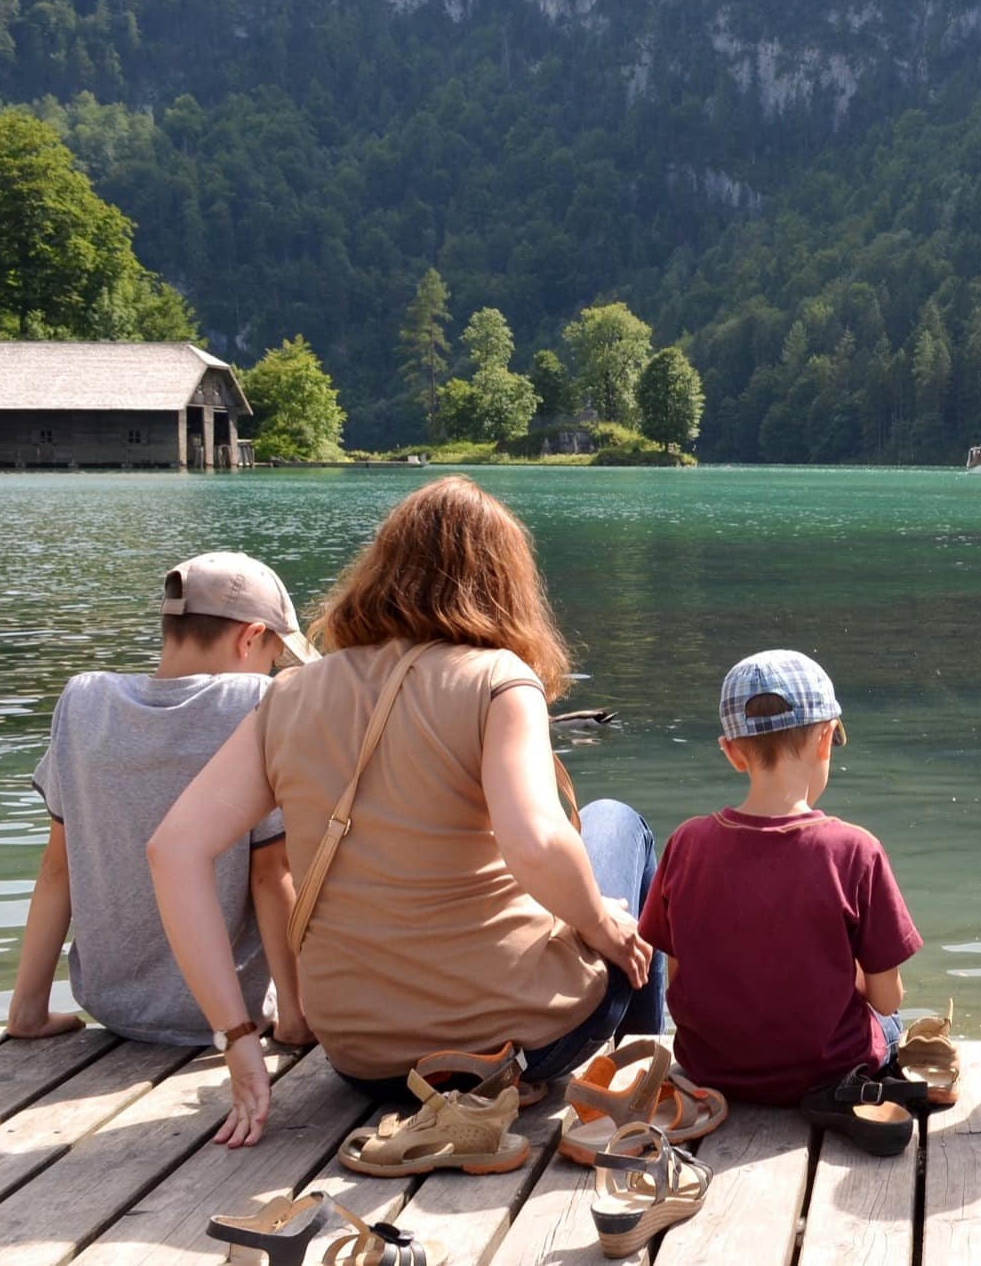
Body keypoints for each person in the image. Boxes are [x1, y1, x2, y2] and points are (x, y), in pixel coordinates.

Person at [148, 476, 662, 1146]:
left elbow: (173, 850)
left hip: (365, 1060)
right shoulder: (498, 678)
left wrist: (239, 1036)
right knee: (616, 821)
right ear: (506, 583)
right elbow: (535, 842)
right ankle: (651, 1063)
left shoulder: (288, 696)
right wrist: (601, 924)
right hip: (522, 1042)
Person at [6, 552, 315, 1047]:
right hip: (227, 1015)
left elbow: (56, 868)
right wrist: (296, 1020)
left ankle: (24, 1009)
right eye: (275, 654)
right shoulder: (255, 701)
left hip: (111, 1009)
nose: (272, 667)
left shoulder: (83, 701)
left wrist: (28, 1010)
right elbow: (269, 874)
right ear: (251, 638)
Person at [635, 650, 921, 1104]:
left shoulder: (686, 843)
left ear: (731, 753)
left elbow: (680, 977)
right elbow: (887, 999)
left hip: (711, 1071)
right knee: (891, 1025)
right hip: (824, 1072)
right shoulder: (855, 850)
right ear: (825, 740)